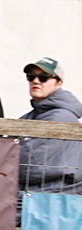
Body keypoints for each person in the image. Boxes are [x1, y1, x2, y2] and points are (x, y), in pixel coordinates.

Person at [18, 56, 82, 195]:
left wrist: (0, 160)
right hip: (33, 195)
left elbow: (32, 164)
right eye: (31, 77)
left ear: (58, 83)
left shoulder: (61, 117)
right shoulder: (30, 116)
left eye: (43, 77)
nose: (35, 81)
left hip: (53, 200)